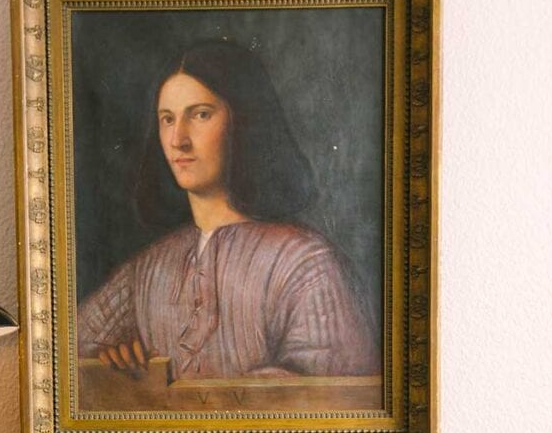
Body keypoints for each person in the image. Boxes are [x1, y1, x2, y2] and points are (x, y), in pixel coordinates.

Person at [77, 39, 378, 381]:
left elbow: (334, 391)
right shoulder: (147, 270)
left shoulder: (305, 263)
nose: (178, 139)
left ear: (243, 121)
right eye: (167, 119)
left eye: (201, 114)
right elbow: (65, 356)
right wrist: (111, 364)